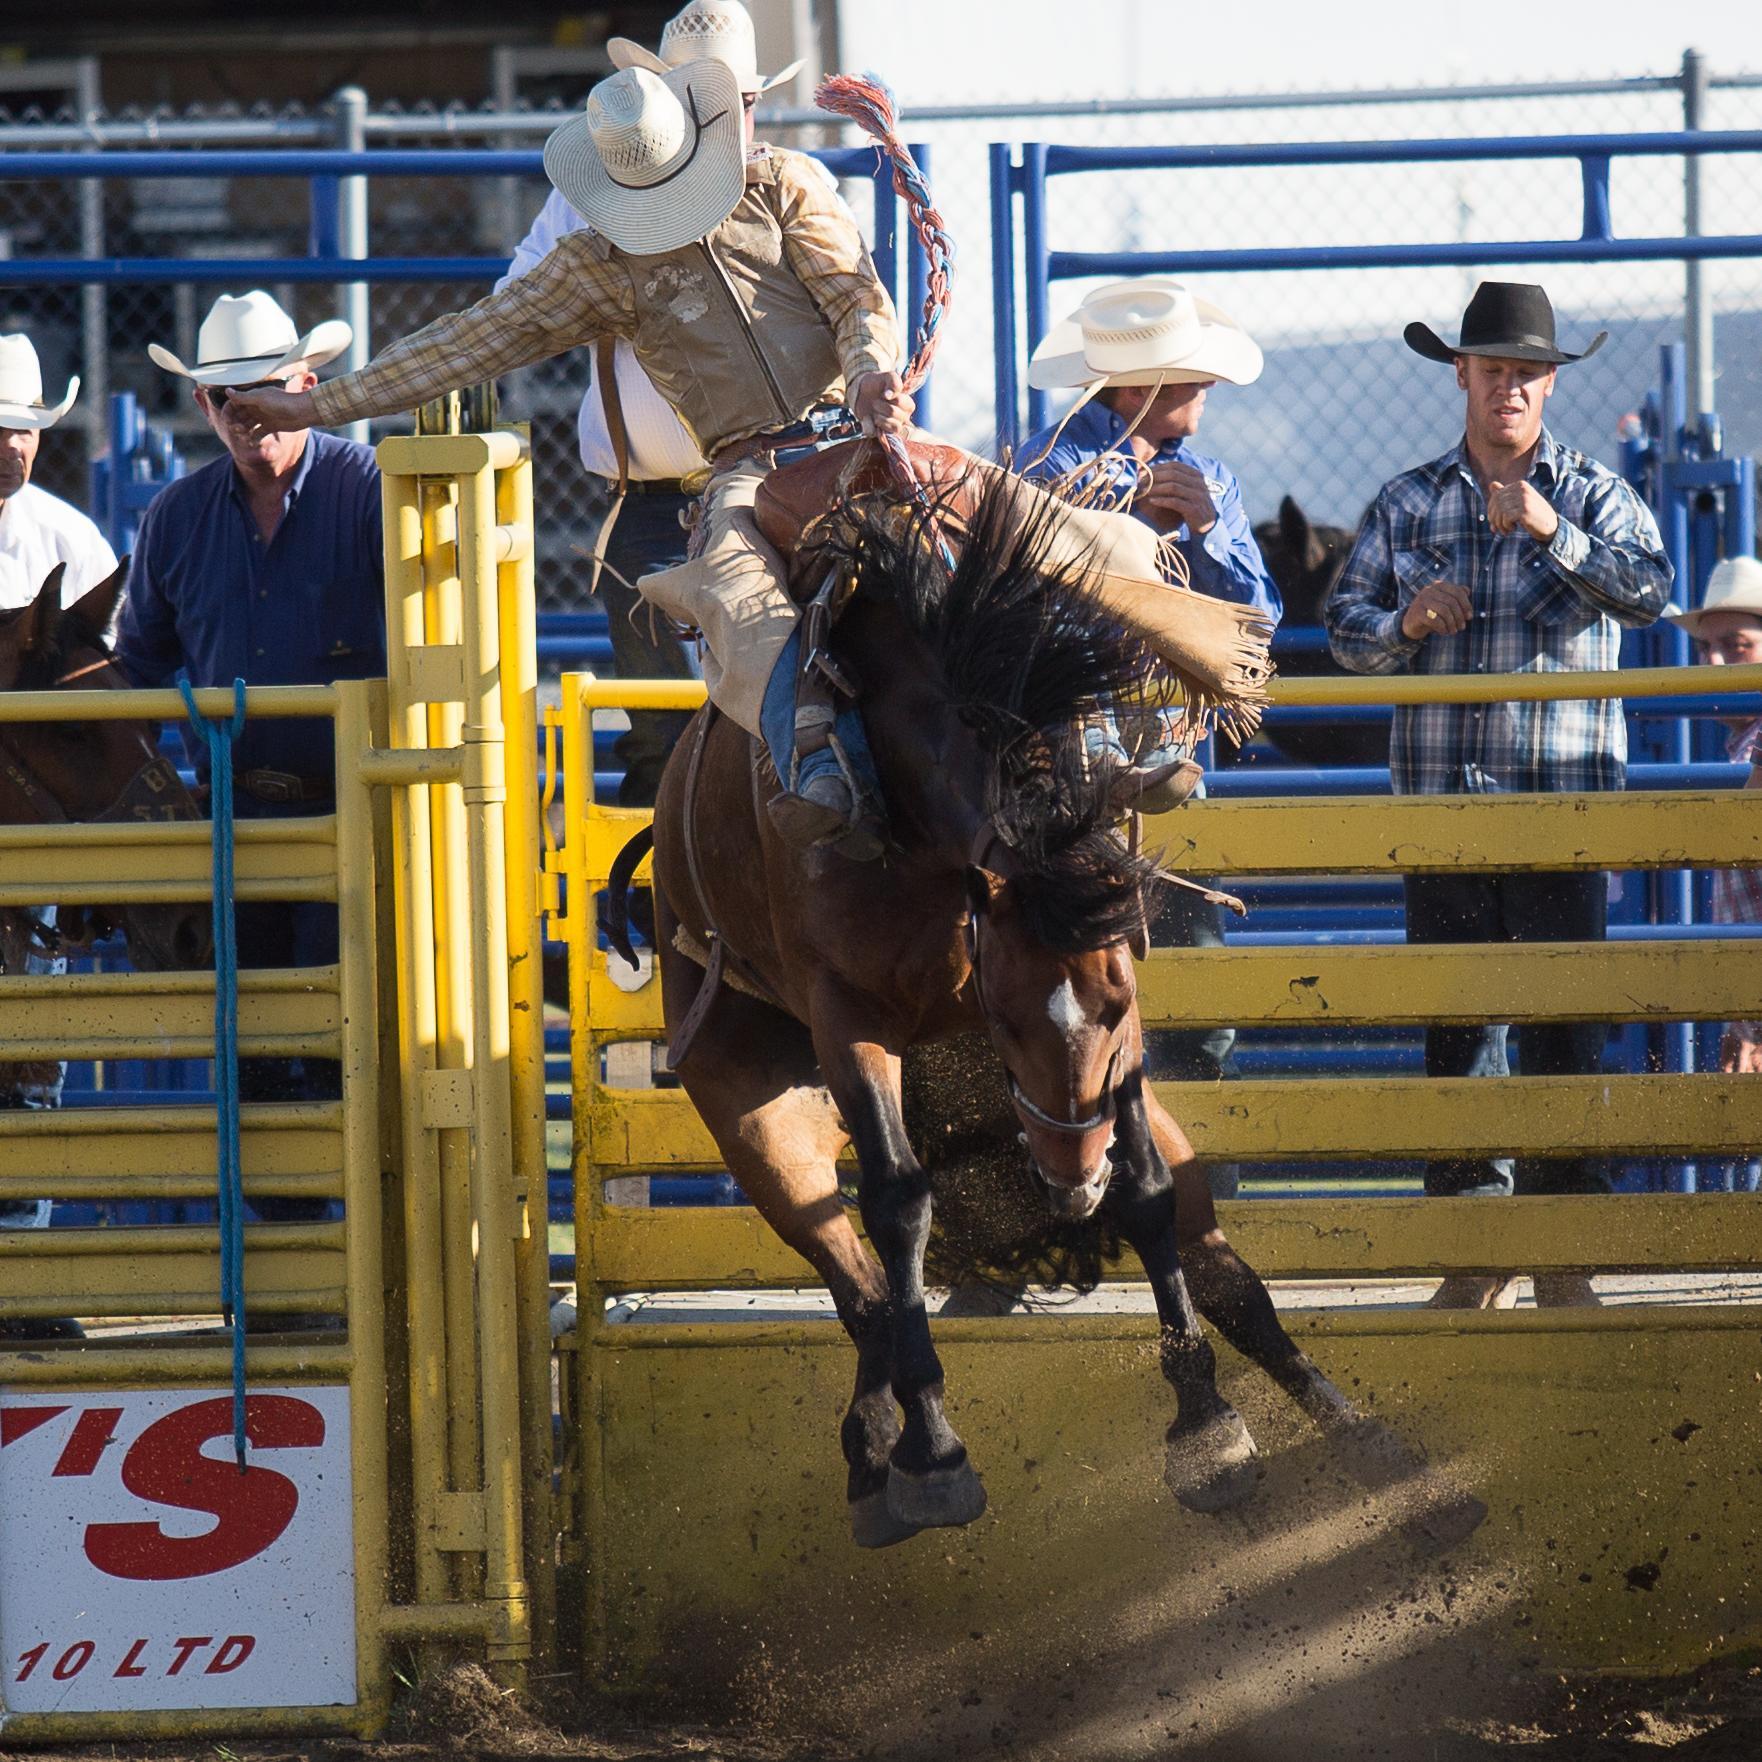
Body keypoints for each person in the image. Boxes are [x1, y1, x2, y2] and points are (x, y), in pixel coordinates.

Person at [225, 57, 1266, 862]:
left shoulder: (784, 187)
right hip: (745, 470)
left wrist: (869, 374)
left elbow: (857, 296)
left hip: (859, 431)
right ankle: (817, 757)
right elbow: (475, 337)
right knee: (731, 593)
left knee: (1087, 536)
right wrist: (329, 404)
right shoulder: (596, 262)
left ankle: (1113, 733)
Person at [1325, 281, 1673, 1307]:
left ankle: (1561, 1255)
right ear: (1462, 378)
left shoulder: (1593, 495)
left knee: (1563, 1033)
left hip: (1561, 812)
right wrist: (1404, 625)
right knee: (1461, 1033)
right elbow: (1345, 625)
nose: (1508, 388)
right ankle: (1477, 1250)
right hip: (1447, 813)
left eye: (1524, 372)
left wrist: (1551, 531)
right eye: (1492, 371)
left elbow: (1652, 593)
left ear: (1548, 383)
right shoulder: (1405, 500)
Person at [118, 291, 386, 1229]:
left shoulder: (370, 491)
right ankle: (291, 1268)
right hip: (239, 827)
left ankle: (332, 1266)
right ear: (205, 410)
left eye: (269, 393)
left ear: (307, 386)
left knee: (340, 1044)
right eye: (231, 402)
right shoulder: (178, 518)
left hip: (358, 823)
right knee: (258, 1054)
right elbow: (137, 673)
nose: (252, 417)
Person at [497, 0, 804, 810]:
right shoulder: (588, 201)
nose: (722, 118)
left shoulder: (789, 190)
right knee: (666, 737)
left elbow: (840, 317)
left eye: (731, 101)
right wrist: (605, 283)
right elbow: (516, 306)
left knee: (795, 721)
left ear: (751, 106)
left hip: (777, 487)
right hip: (656, 506)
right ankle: (667, 921)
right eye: (701, 98)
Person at [1020, 278, 1281, 1203]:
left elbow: (1256, 618)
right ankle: (1165, 1203)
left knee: (1169, 1006)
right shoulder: (1043, 479)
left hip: (1149, 765)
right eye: (1193, 379)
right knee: (1081, 1008)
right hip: (1078, 785)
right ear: (1145, 386)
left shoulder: (1202, 486)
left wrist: (1207, 529)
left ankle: (1195, 1204)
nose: (1206, 396)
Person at [0, 331, 116, 1340]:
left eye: (26, 429)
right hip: (33, 833)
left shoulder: (71, 541)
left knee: (34, 1060)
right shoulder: (73, 540)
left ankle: (26, 1273)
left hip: (34, 843)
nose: (12, 447)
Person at [1667, 554, 1762, 1189]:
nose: (1716, 664)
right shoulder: (1742, 745)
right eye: (1708, 648)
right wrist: (1743, 1020)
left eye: (1738, 646)